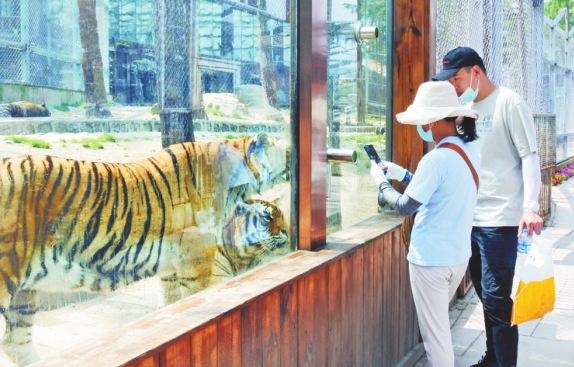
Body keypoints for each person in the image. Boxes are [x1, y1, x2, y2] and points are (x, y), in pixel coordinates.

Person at [432, 46, 544, 367]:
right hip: (470, 217)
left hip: (500, 220)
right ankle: (494, 357)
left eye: (457, 78)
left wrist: (531, 206)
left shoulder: (510, 102)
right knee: (486, 295)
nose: (453, 85)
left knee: (496, 297)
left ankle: (503, 362)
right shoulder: (464, 107)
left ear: (476, 73)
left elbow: (529, 156)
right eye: (450, 80)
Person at [369, 81, 480, 367]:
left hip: (431, 261)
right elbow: (436, 191)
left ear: (432, 121)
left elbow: (406, 206)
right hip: (457, 257)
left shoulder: (436, 158)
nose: (423, 127)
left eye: (423, 122)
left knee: (436, 340)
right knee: (440, 328)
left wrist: (381, 183)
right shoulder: (470, 152)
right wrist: (401, 173)